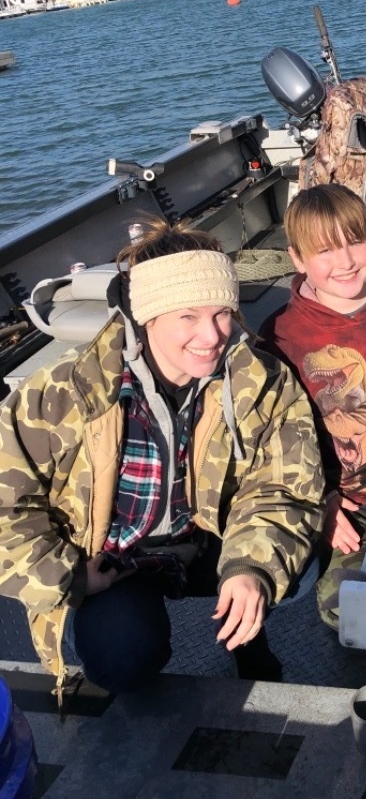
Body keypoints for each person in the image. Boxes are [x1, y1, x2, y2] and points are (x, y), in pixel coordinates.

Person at [0, 219, 325, 705]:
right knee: (119, 660)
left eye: (222, 313)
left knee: (293, 566)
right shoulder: (61, 393)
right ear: (147, 316)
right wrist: (69, 574)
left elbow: (284, 488)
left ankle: (247, 638)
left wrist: (250, 567)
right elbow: (7, 507)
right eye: (187, 317)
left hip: (208, 539)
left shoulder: (261, 380)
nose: (211, 335)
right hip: (112, 561)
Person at [258, 184, 366, 627]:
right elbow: (273, 441)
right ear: (297, 259)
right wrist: (324, 499)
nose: (344, 262)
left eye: (353, 241)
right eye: (324, 251)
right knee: (345, 609)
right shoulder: (280, 337)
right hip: (357, 501)